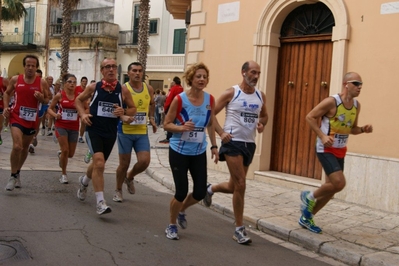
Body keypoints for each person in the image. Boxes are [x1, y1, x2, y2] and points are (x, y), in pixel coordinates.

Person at [202, 60, 268, 244]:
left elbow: (265, 115)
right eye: (253, 72)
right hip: (232, 143)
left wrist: (262, 123)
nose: (255, 76)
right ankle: (239, 229)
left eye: (258, 73)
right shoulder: (232, 93)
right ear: (243, 72)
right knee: (241, 183)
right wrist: (221, 133)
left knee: (234, 186)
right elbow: (211, 113)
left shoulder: (261, 96)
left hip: (249, 144)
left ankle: (210, 189)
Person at [299, 72, 373, 234]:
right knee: (339, 183)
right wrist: (322, 136)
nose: (359, 87)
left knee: (332, 189)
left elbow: (351, 129)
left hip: (340, 149)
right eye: (356, 83)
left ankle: (307, 217)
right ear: (346, 84)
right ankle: (309, 197)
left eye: (361, 84)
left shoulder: (356, 105)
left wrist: (363, 130)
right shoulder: (332, 102)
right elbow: (310, 117)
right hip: (325, 148)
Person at [164, 62, 219, 240]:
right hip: (179, 151)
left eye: (204, 76)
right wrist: (181, 128)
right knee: (181, 192)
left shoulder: (210, 100)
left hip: (198, 152)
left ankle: (182, 210)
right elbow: (167, 124)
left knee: (200, 192)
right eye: (198, 76)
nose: (202, 79)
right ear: (191, 79)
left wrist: (214, 146)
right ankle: (171, 225)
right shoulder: (180, 99)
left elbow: (210, 124)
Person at [75, 58, 136, 215]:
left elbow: (133, 108)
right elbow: (78, 100)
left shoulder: (122, 90)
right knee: (100, 164)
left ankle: (84, 181)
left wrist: (124, 112)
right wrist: (82, 115)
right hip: (93, 129)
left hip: (110, 132)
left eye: (114, 67)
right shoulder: (94, 87)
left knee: (97, 164)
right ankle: (100, 202)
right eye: (107, 67)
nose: (111, 69)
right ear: (102, 71)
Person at [3, 54, 49, 191]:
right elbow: (6, 93)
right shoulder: (16, 80)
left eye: (33, 66)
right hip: (16, 116)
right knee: (17, 146)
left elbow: (47, 100)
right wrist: (6, 107)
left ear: (36, 68)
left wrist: (41, 98)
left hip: (31, 119)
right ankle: (12, 175)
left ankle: (17, 172)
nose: (30, 68)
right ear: (24, 66)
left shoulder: (42, 82)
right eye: (27, 65)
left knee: (24, 148)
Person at [113, 62, 157, 202]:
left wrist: (151, 118)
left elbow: (152, 104)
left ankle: (130, 177)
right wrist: (124, 114)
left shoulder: (148, 88)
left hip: (142, 131)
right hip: (125, 130)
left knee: (144, 162)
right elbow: (117, 108)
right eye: (134, 71)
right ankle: (118, 190)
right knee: (124, 164)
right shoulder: (122, 89)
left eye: (140, 71)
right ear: (129, 73)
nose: (137, 73)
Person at [47, 73, 80, 184]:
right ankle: (64, 174)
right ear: (64, 83)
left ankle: (61, 155)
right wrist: (56, 115)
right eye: (69, 82)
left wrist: (84, 113)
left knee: (70, 154)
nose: (72, 84)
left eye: (74, 82)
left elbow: (86, 108)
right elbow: (50, 109)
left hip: (74, 127)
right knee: (65, 149)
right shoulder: (59, 95)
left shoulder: (79, 96)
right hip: (61, 125)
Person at [159, 77, 183, 143]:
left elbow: (169, 99)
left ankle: (169, 137)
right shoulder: (182, 89)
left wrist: (165, 108)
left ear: (174, 82)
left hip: (171, 108)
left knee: (169, 123)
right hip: (180, 109)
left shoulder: (173, 89)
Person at [76, 76, 88, 143]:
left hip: (84, 109)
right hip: (76, 109)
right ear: (81, 82)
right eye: (83, 81)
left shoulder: (87, 90)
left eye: (86, 82)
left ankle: (80, 137)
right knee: (75, 123)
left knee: (83, 123)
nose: (84, 83)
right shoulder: (76, 88)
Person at [0, 76, 9, 145]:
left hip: (1, 105)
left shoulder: (4, 80)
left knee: (0, 124)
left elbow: (10, 91)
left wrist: (5, 98)